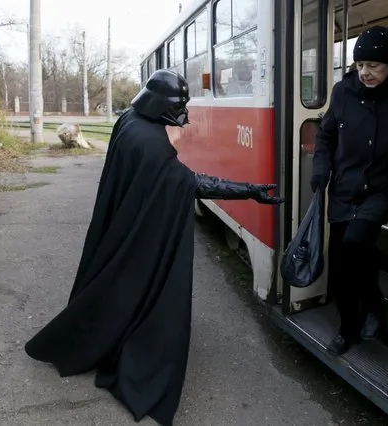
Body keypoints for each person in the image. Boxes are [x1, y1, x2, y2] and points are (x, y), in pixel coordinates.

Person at [24, 69, 283, 425]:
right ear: (163, 106)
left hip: (120, 224)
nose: (186, 117)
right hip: (137, 235)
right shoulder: (152, 146)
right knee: (136, 290)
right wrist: (249, 191)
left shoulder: (130, 121)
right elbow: (189, 182)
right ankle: (120, 343)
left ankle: (96, 333)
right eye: (181, 108)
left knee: (113, 285)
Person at [310, 26, 388, 356]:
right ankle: (351, 325)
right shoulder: (343, 93)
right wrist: (320, 169)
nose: (365, 73)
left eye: (374, 65)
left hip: (385, 186)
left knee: (357, 239)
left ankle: (371, 307)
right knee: (342, 260)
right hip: (345, 186)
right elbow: (326, 136)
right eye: (360, 65)